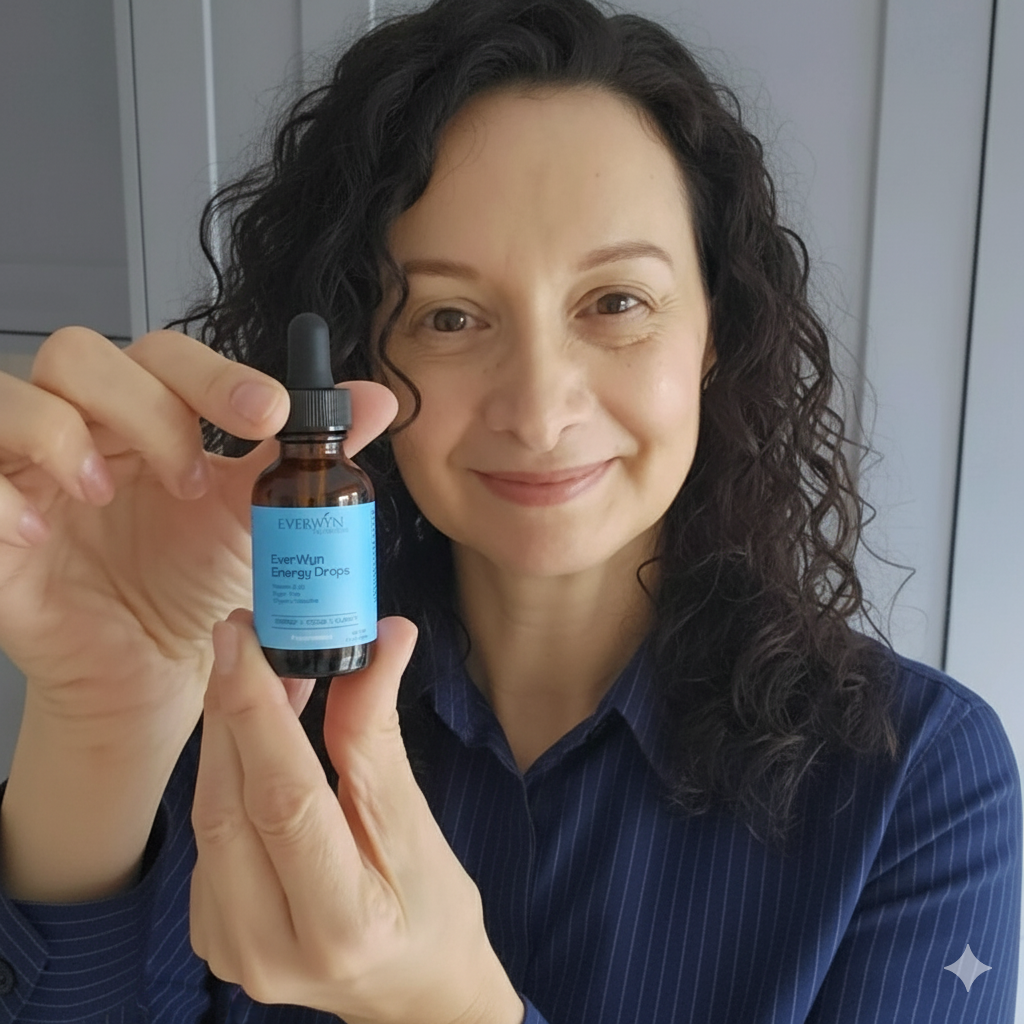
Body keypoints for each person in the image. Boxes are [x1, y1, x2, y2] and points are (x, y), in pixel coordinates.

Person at [0, 0, 1019, 1020]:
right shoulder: (239, 694)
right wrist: (104, 715)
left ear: (715, 330)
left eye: (615, 303)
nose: (538, 412)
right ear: (361, 357)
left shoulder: (919, 779)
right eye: (448, 316)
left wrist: (443, 1006)